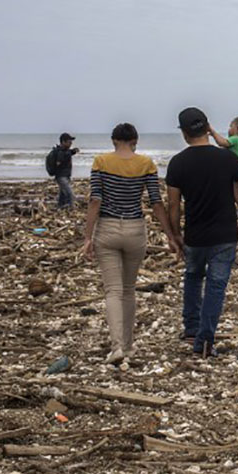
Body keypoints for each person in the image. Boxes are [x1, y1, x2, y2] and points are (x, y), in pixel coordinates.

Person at [81, 123, 181, 365]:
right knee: (128, 289)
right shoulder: (146, 163)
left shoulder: (101, 162)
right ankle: (127, 345)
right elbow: (156, 203)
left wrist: (87, 237)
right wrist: (170, 235)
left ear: (114, 140)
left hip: (107, 228)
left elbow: (95, 200)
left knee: (113, 291)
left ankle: (117, 347)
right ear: (135, 141)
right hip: (135, 229)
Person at [166, 107, 238, 358]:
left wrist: (174, 234)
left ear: (184, 133)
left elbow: (173, 205)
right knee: (216, 286)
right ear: (207, 128)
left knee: (193, 277)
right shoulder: (226, 158)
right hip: (225, 233)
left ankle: (192, 329)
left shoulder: (178, 162)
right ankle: (204, 340)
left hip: (194, 233)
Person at [208, 115, 238, 216]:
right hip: (236, 168)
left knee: (234, 190)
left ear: (237, 128)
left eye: (230, 126)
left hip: (232, 169)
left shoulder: (236, 139)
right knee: (233, 189)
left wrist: (213, 132)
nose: (228, 129)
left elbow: (222, 143)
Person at [48, 133, 80, 209]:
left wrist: (73, 151)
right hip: (61, 176)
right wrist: (63, 159)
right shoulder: (61, 152)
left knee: (62, 194)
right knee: (69, 193)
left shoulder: (65, 151)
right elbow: (58, 163)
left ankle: (60, 206)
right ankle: (71, 207)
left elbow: (68, 153)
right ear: (63, 142)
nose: (71, 143)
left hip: (66, 175)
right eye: (69, 142)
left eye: (71, 142)